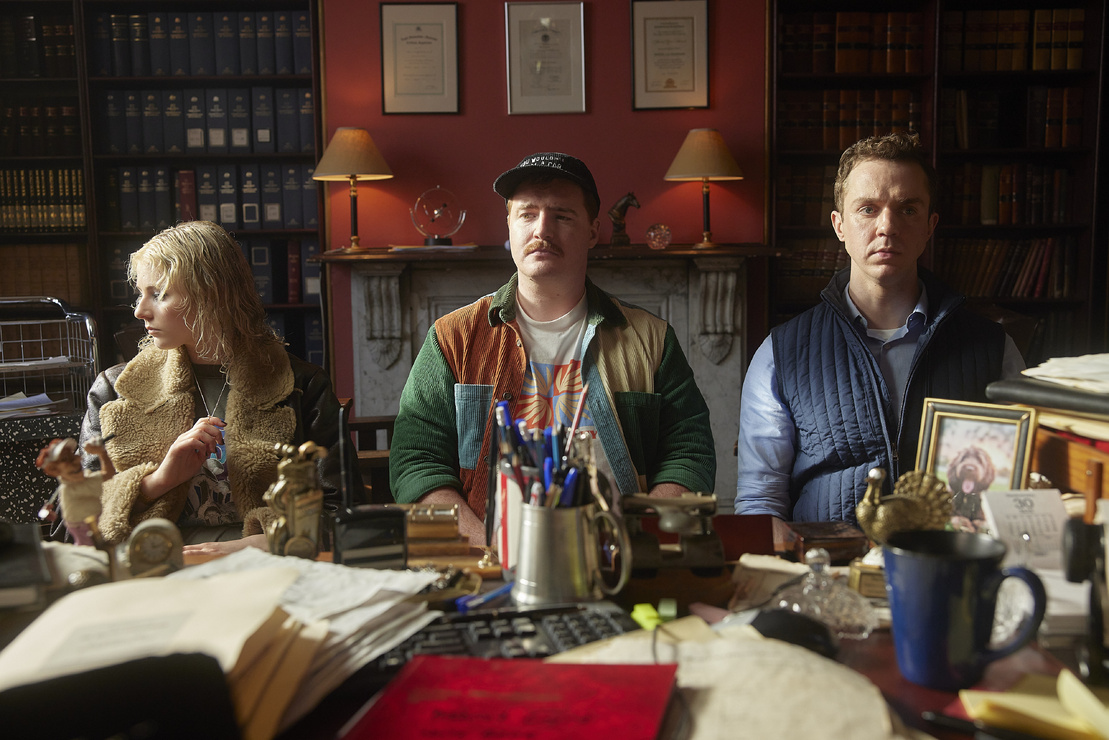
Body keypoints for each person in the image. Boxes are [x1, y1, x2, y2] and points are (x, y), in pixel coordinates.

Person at [390, 152, 716, 544]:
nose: (542, 229)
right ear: (509, 226)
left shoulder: (652, 338)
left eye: (562, 216)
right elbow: (416, 462)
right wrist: (487, 548)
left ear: (593, 231)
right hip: (485, 558)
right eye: (527, 214)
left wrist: (636, 540)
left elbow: (690, 452)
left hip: (617, 557)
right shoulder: (452, 337)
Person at [735, 133, 1024, 524]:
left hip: (946, 556)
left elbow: (1016, 489)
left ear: (930, 225)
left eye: (908, 209)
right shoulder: (780, 353)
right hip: (828, 557)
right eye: (868, 209)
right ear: (839, 225)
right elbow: (760, 499)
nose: (887, 226)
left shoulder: (994, 348)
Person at [80, 220, 353, 555]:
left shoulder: (302, 385)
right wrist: (160, 480)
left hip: (267, 565)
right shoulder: (114, 390)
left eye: (158, 294)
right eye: (140, 293)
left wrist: (260, 544)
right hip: (155, 566)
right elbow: (77, 522)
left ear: (211, 294)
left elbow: (340, 511)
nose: (140, 311)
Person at [36, 436, 115, 547]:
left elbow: (108, 474)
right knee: (89, 547)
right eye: (65, 459)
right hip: (82, 524)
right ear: (54, 470)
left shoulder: (80, 480)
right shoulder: (72, 487)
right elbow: (107, 474)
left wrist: (101, 452)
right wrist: (101, 452)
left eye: (72, 455)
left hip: (94, 520)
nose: (75, 461)